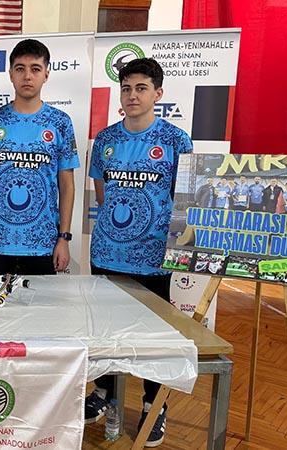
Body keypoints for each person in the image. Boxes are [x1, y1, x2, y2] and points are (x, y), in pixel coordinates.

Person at [87, 57, 192, 447]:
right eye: (127, 88)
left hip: (153, 258)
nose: (132, 95)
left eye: (141, 88)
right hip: (107, 253)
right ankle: (104, 392)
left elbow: (182, 201)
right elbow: (102, 194)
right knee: (105, 329)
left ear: (157, 94)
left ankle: (153, 404)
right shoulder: (106, 140)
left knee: (154, 336)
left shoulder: (176, 141)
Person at [0, 39, 78, 275]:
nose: (27, 76)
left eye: (35, 69)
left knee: (40, 301)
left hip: (43, 245)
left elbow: (67, 185)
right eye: (20, 69)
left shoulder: (60, 123)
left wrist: (64, 238)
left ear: (46, 74)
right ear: (11, 74)